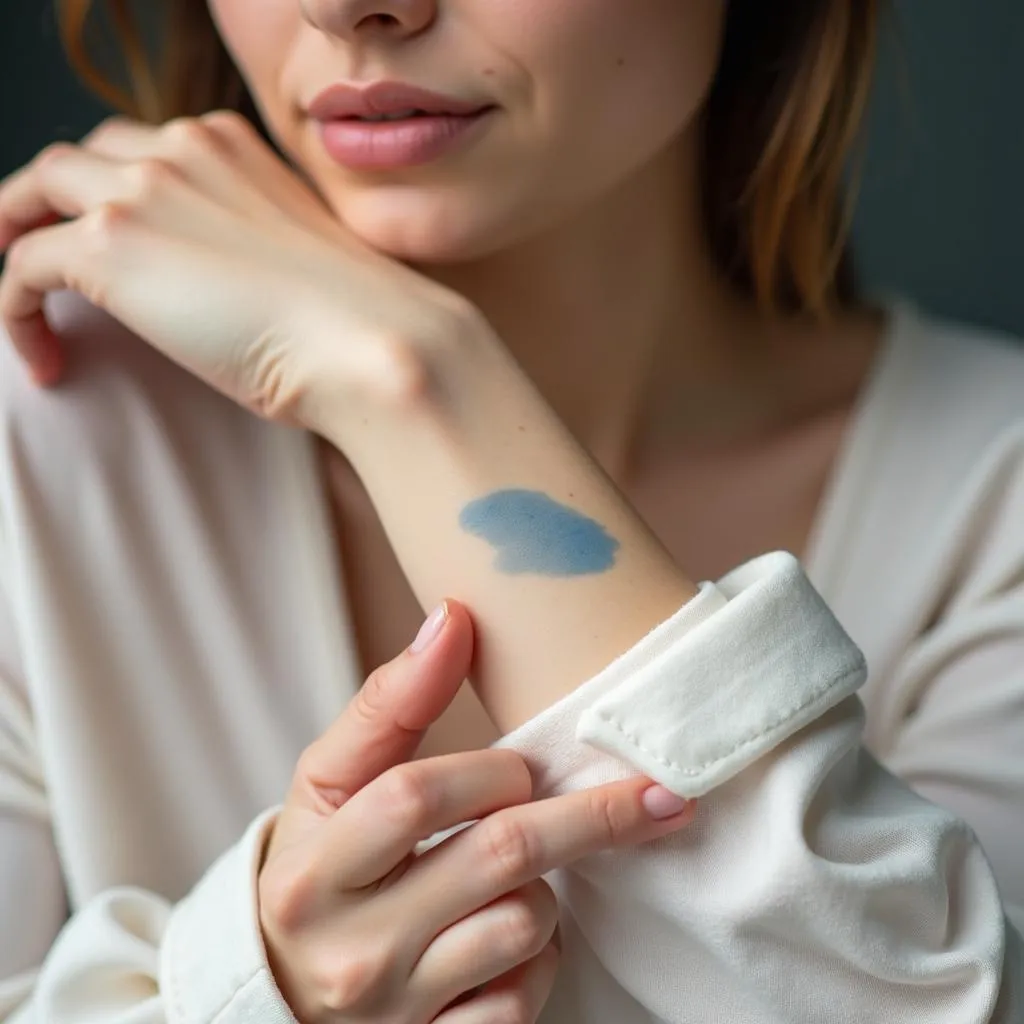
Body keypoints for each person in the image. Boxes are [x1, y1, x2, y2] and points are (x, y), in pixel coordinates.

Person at [0, 0, 1021, 1020]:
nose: (346, 7)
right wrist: (252, 990)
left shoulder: (992, 495)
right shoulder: (37, 441)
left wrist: (413, 383)